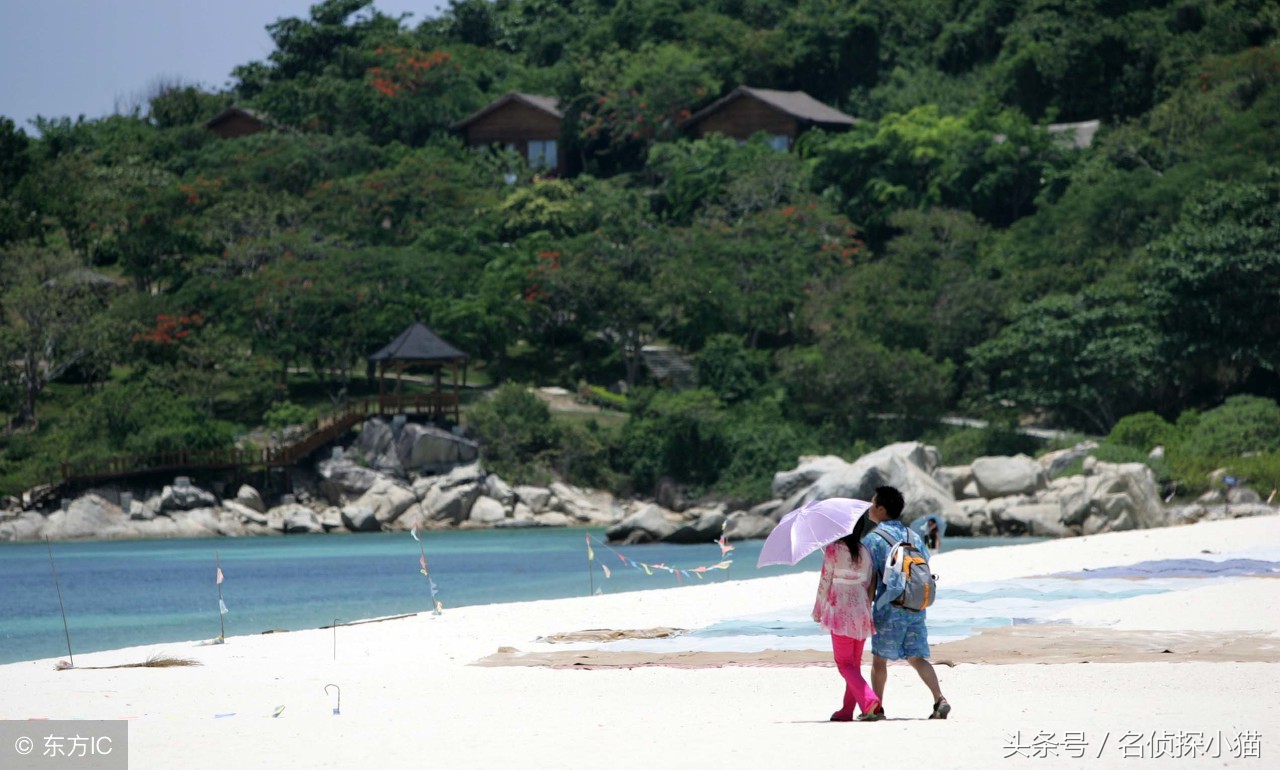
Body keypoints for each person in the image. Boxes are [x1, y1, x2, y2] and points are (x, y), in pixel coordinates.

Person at [860, 486, 950, 720]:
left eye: (872, 503)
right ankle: (939, 699)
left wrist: (866, 607)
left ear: (881, 509)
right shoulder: (913, 536)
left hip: (889, 608)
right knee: (917, 657)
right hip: (915, 606)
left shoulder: (873, 540)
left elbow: (871, 579)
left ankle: (877, 708)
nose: (869, 507)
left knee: (879, 660)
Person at [811, 508, 881, 722]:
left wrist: (818, 611)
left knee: (844, 664)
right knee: (854, 665)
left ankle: (869, 700)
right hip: (861, 611)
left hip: (840, 613)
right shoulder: (865, 551)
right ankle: (847, 710)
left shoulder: (833, 550)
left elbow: (825, 582)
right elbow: (867, 582)